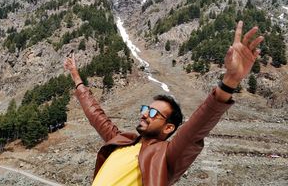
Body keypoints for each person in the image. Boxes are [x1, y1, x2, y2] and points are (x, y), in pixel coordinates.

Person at [63, 21, 263, 186]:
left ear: (168, 127)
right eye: (146, 109)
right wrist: (76, 77)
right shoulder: (121, 141)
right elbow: (96, 115)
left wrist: (230, 81)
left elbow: (196, 129)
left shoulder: (167, 156)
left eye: (153, 113)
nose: (144, 114)